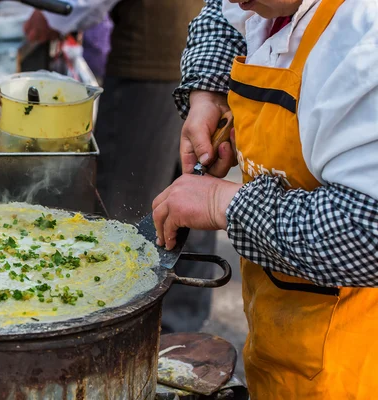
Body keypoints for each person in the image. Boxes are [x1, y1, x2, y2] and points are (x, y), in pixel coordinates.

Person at [154, 0, 378, 398]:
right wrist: (208, 94)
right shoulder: (260, 5)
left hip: (353, 365)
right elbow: (220, 17)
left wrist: (221, 204)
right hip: (280, 329)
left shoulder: (364, 41)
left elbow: (367, 232)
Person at [25, 1, 216, 333]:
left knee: (122, 214)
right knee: (191, 194)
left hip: (152, 65)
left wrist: (56, 13)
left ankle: (117, 334)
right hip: (201, 65)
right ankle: (177, 337)